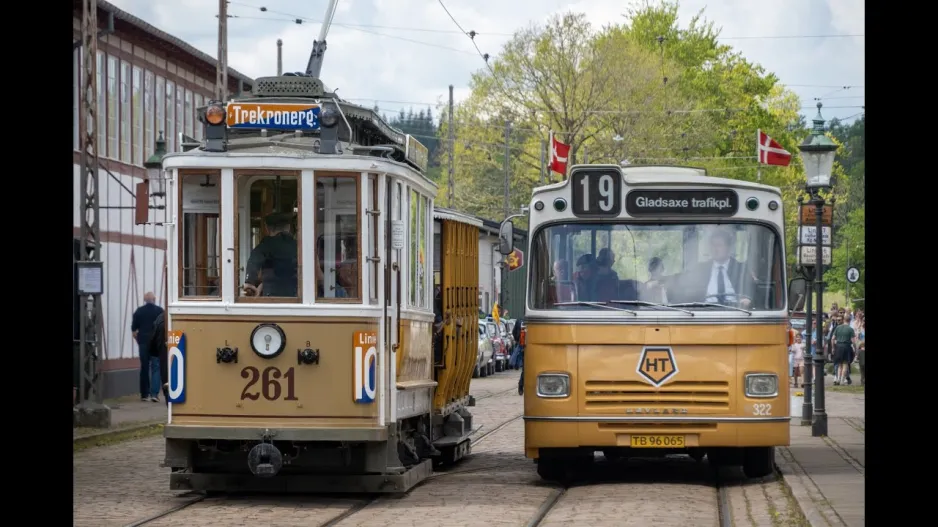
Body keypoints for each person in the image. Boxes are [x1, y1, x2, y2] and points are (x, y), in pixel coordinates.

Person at [674, 229, 756, 307]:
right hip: (706, 312)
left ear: (729, 248)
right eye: (712, 245)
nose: (714, 249)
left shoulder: (741, 269)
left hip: (736, 312)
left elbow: (753, 294)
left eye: (719, 245)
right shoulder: (700, 269)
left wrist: (748, 300)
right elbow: (689, 293)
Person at [243, 212, 298, 297]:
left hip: (272, 295)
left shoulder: (267, 244)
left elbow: (254, 260)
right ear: (288, 227)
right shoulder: (298, 246)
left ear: (267, 228)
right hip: (296, 294)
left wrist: (249, 281)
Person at [131, 292, 164, 402]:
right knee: (156, 367)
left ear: (145, 300)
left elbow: (134, 331)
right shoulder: (160, 311)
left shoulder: (139, 311)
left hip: (143, 342)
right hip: (155, 342)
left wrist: (139, 341)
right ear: (154, 299)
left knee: (144, 367)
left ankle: (144, 394)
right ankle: (154, 394)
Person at [148, 311, 170, 405]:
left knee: (163, 375)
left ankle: (154, 394)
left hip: (162, 354)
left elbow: (152, 340)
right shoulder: (161, 315)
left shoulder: (161, 318)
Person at [831, 314, 857, 385]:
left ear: (844, 319)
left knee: (839, 364)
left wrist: (833, 348)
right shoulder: (850, 329)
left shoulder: (837, 328)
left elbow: (832, 339)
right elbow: (853, 341)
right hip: (846, 347)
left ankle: (838, 379)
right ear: (850, 320)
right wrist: (855, 349)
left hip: (838, 347)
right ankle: (842, 380)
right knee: (845, 364)